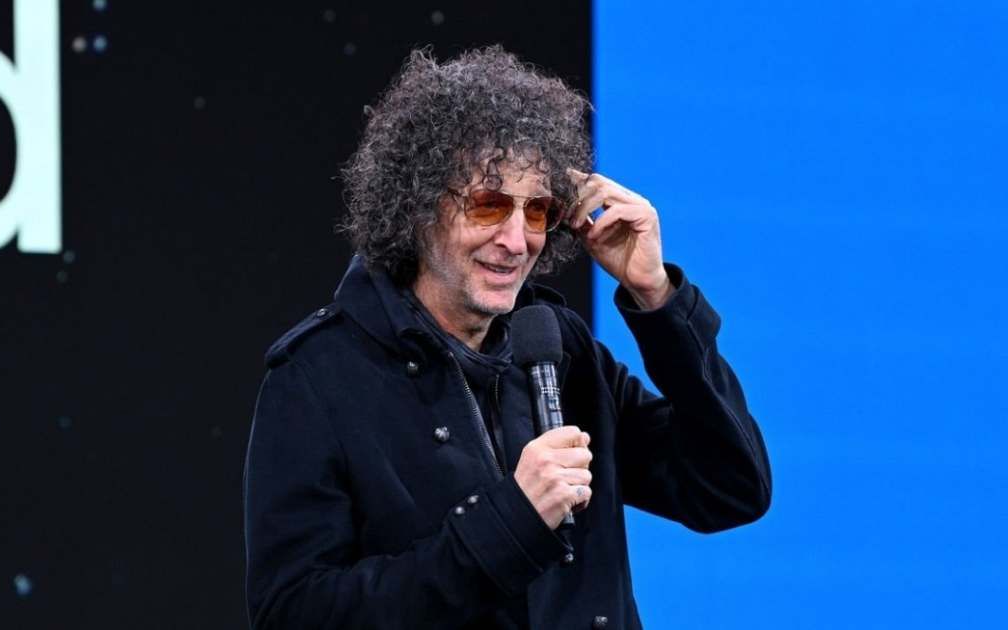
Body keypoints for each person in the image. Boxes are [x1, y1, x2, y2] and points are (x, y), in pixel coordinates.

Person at [243, 46, 771, 630]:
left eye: (537, 210)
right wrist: (507, 525)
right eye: (489, 206)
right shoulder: (320, 375)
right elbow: (293, 614)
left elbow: (730, 487)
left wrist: (657, 299)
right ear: (418, 206)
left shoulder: (559, 351)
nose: (517, 241)